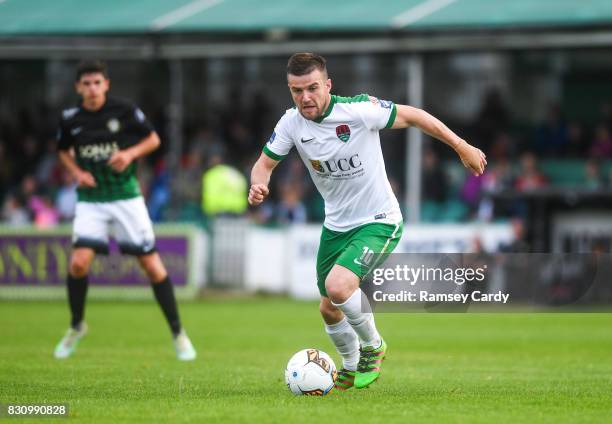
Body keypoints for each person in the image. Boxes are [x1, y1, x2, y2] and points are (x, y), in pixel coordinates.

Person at [248, 53, 486, 390]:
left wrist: (462, 147)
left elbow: (415, 116)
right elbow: (264, 164)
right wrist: (259, 184)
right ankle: (348, 365)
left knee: (339, 286)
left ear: (328, 85)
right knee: (329, 308)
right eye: (296, 91)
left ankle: (373, 346)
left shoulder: (358, 111)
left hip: (379, 220)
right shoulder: (290, 123)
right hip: (336, 225)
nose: (305, 98)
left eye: (312, 88)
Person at [53, 60, 196, 361]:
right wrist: (77, 172)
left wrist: (129, 153)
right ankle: (77, 326)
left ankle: (178, 332)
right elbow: (63, 151)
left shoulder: (125, 110)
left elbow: (154, 139)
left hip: (125, 197)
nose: (92, 89)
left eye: (97, 83)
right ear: (78, 87)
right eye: (86, 84)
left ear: (106, 84)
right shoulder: (70, 118)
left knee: (152, 267)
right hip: (91, 199)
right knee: (78, 263)